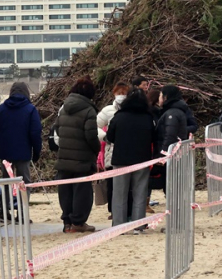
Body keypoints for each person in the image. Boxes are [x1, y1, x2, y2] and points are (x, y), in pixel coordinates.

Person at [105, 88, 156, 229]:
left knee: (119, 194)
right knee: (140, 193)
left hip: (121, 160)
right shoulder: (148, 118)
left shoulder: (119, 116)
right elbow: (154, 137)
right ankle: (138, 224)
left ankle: (118, 225)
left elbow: (110, 137)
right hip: (142, 160)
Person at [55, 78, 101, 233]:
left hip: (64, 157)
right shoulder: (89, 110)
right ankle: (78, 222)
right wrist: (96, 149)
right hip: (82, 159)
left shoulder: (63, 108)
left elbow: (57, 129)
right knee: (82, 192)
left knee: (65, 191)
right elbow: (91, 136)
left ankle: (67, 222)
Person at [0, 81, 41, 219]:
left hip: (5, 152)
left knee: (6, 182)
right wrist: (36, 152)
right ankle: (22, 214)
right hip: (23, 153)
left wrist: (2, 142)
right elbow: (35, 133)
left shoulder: (1, 109)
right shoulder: (30, 109)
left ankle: (3, 212)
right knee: (24, 183)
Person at [97, 83, 129, 217]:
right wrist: (105, 137)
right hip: (111, 152)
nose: (121, 95)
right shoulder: (107, 110)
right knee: (111, 184)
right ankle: (112, 210)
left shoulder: (132, 109)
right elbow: (96, 125)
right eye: (119, 93)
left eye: (124, 93)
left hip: (128, 151)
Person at [156, 85, 195, 150]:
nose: (158, 98)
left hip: (169, 152)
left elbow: (170, 136)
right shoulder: (173, 110)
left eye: (160, 95)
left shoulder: (172, 114)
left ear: (165, 97)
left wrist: (164, 152)